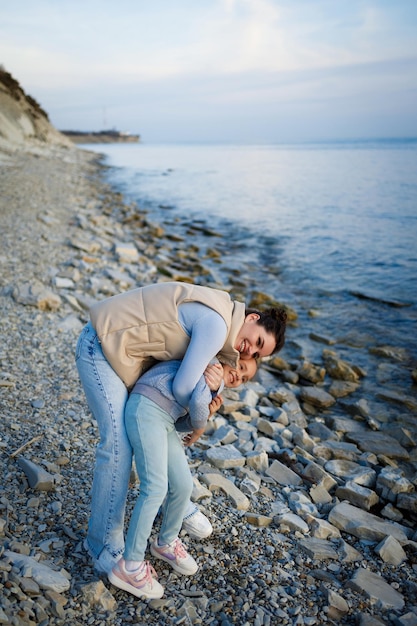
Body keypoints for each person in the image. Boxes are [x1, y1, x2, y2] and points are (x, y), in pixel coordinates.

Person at [75, 281, 287, 574]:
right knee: (118, 445)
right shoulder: (216, 325)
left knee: (153, 428)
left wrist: (209, 392)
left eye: (258, 355)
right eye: (257, 342)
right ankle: (102, 544)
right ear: (252, 319)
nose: (250, 352)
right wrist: (200, 417)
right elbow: (183, 386)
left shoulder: (224, 324)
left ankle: (176, 504)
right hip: (101, 347)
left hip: (127, 359)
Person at [108, 357, 258, 599]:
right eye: (240, 368)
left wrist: (203, 414)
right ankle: (130, 565)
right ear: (233, 358)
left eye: (244, 379)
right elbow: (197, 404)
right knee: (155, 488)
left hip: (163, 420)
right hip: (146, 409)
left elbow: (179, 422)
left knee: (182, 485)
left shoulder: (216, 383)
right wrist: (200, 425)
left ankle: (165, 542)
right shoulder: (214, 366)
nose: (238, 377)